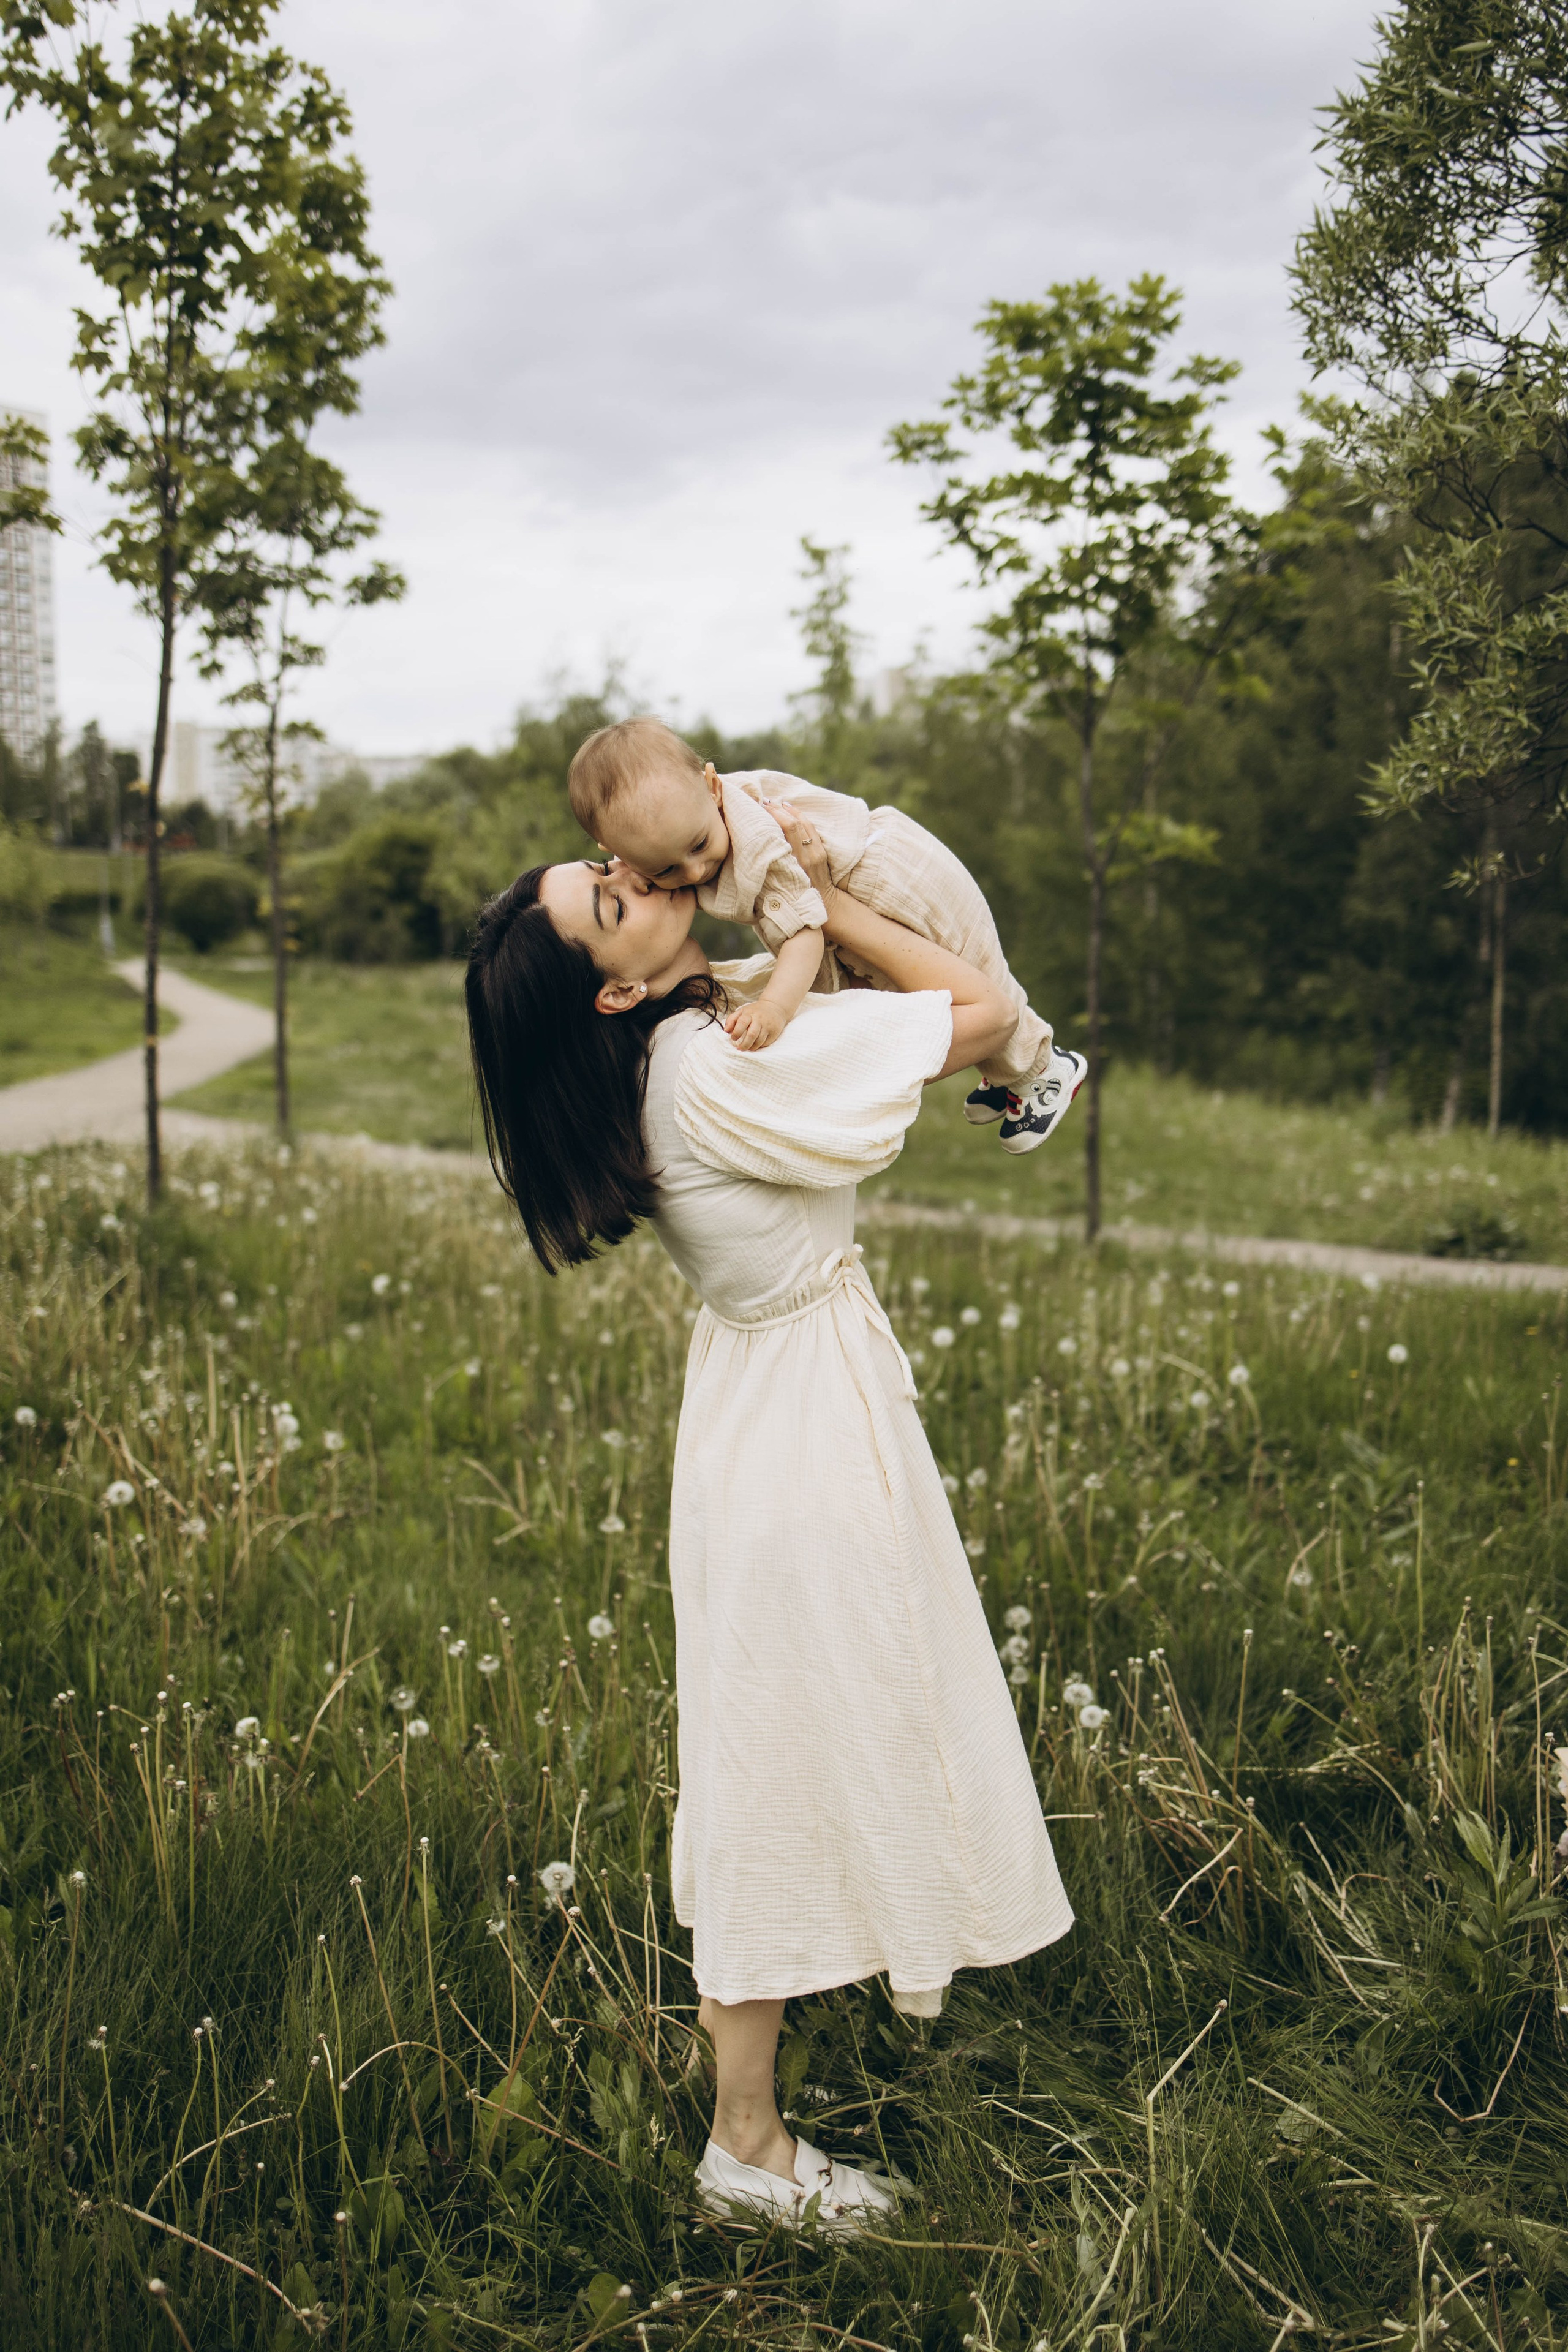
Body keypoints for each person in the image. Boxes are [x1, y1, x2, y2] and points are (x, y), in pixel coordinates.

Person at [465, 805, 1074, 2233]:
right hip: (799, 1435)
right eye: (609, 897)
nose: (634, 877)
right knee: (775, 1768)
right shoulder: (705, 1068)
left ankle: (755, 2121)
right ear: (613, 987)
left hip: (769, 1406)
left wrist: (776, 941)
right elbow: (985, 1012)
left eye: (607, 867)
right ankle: (745, 2145)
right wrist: (805, 899)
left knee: (783, 1748)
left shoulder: (681, 1037)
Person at [566, 714, 1087, 1156]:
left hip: (890, 875)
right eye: (662, 872)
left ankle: (1045, 1068)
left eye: (700, 846)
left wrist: (775, 1008)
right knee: (932, 987)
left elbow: (805, 936)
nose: (697, 871)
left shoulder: (760, 848)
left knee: (971, 964)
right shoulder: (680, 814)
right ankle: (1005, 1072)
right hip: (864, 883)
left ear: (712, 785)